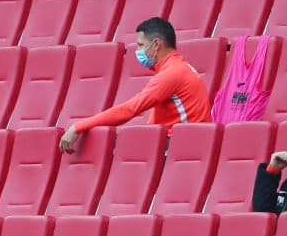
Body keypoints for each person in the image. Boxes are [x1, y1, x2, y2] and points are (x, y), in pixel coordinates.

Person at [60, 17, 211, 153]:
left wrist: (79, 126)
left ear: (156, 44)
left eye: (140, 45)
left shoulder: (172, 73)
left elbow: (129, 110)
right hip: (182, 144)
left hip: (181, 148)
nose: (138, 51)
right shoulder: (179, 67)